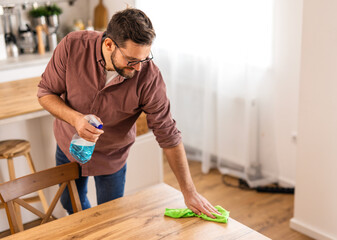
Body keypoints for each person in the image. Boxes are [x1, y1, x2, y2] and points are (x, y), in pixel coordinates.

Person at [37, 8, 220, 218]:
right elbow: (45, 93)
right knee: (71, 205)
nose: (139, 68)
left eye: (145, 59)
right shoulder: (73, 46)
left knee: (110, 216)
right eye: (132, 60)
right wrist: (76, 119)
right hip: (69, 145)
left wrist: (190, 193)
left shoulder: (149, 77)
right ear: (108, 44)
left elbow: (168, 133)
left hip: (112, 155)